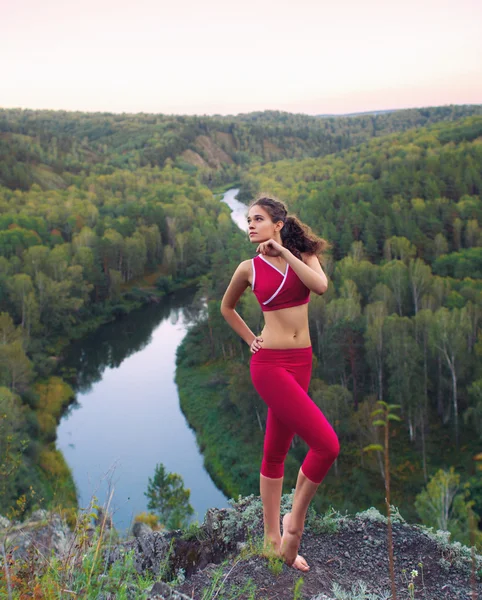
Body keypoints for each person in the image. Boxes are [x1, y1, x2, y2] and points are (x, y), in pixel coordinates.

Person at [220, 195, 340, 572]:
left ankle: (272, 540)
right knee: (327, 445)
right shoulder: (247, 268)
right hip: (269, 365)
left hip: (301, 362)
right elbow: (227, 308)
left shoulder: (303, 256)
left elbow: (319, 287)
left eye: (258, 219)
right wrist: (248, 339)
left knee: (276, 449)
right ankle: (292, 527)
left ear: (277, 224)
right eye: (248, 220)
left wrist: (285, 252)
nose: (250, 225)